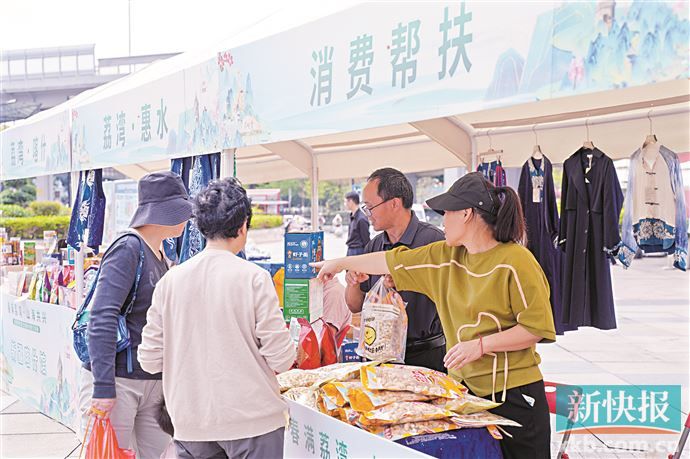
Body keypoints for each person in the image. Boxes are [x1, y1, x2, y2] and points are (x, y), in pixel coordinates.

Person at [314, 172, 556, 459]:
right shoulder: (446, 256)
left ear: (467, 213)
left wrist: (481, 345)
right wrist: (339, 264)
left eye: (447, 212)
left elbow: (535, 328)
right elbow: (390, 260)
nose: (443, 221)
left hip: (514, 393)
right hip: (465, 394)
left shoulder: (517, 261)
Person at [138, 178, 296, 459]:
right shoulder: (254, 278)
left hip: (191, 422)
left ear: (201, 227)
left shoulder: (170, 281)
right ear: (242, 226)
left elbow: (149, 360)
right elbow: (281, 359)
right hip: (254, 422)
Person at [79, 171, 192, 458]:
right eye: (181, 211)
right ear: (162, 212)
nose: (186, 219)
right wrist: (103, 388)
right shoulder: (128, 248)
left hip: (152, 382)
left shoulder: (162, 254)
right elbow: (102, 316)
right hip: (118, 381)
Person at [344, 168, 446, 372]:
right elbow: (355, 306)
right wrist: (352, 282)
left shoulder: (434, 241)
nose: (367, 214)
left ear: (394, 203)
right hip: (379, 355)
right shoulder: (374, 246)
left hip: (425, 356)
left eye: (370, 207)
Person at [344, 191, 370, 256]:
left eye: (345, 202)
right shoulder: (352, 216)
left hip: (358, 251)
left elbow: (366, 240)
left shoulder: (361, 219)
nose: (345, 204)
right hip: (351, 250)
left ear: (351, 201)